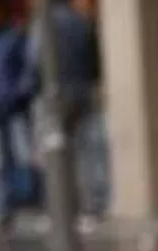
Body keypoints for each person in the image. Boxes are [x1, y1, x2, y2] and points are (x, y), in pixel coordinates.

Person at [32, 0, 107, 227]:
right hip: (82, 91)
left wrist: (34, 88)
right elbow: (93, 53)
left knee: (55, 154)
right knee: (87, 153)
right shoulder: (79, 20)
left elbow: (35, 59)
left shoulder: (43, 23)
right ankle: (91, 208)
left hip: (54, 95)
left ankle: (60, 209)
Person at [0, 0, 36, 230]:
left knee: (18, 156)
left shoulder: (13, 37)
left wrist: (18, 94)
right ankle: (3, 208)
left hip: (10, 107)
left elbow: (27, 69)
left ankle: (15, 204)